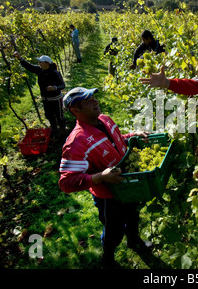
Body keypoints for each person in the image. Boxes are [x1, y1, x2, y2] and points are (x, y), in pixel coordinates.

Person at [58, 87, 151, 269]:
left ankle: (134, 241)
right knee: (113, 229)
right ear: (75, 111)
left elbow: (115, 139)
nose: (95, 102)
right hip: (109, 196)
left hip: (127, 184)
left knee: (133, 215)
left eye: (93, 97)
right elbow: (66, 182)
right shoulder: (76, 142)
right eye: (88, 101)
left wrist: (132, 136)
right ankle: (108, 258)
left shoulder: (105, 119)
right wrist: (100, 177)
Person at [13, 51, 66, 137]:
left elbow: (63, 85)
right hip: (45, 99)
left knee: (59, 116)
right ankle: (55, 130)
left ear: (47, 63)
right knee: (49, 115)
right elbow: (29, 66)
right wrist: (20, 59)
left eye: (41, 62)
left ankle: (63, 130)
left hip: (56, 99)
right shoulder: (40, 70)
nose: (39, 63)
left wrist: (55, 88)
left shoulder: (54, 73)